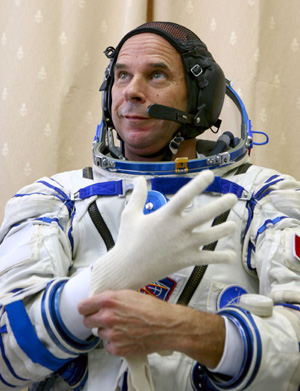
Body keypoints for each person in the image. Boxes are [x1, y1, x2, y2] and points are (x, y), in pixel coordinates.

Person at [0, 21, 300, 391]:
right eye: (122, 75)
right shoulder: (53, 199)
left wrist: (182, 329)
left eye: (156, 75)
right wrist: (104, 280)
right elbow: (4, 359)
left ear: (200, 97)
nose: (132, 92)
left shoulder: (266, 197)